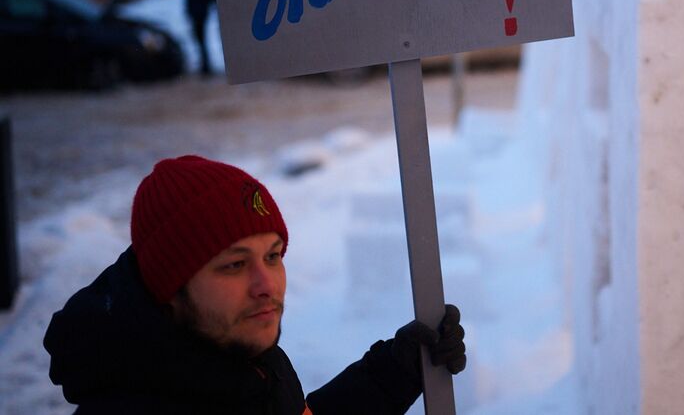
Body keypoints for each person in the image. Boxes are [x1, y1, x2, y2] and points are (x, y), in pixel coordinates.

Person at [43, 155, 466, 414]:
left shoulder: (239, 361)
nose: (267, 285)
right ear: (168, 288)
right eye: (233, 265)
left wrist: (393, 372)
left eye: (273, 255)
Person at [183, 0, 216, 76]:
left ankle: (206, 66)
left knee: (200, 40)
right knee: (201, 40)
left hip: (198, 14)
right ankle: (205, 65)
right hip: (200, 13)